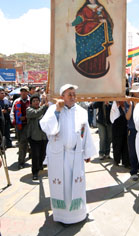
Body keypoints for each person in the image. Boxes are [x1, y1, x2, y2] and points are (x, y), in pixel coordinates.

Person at [40, 84, 96, 225]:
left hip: (76, 154)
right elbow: (47, 128)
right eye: (69, 94)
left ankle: (78, 214)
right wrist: (57, 111)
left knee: (77, 184)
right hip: (58, 155)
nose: (72, 97)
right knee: (62, 186)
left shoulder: (81, 111)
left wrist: (87, 152)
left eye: (74, 94)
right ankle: (62, 215)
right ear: (62, 96)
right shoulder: (53, 109)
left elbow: (86, 132)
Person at [66, 0, 114, 78]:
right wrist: (72, 24)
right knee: (87, 50)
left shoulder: (100, 7)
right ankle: (86, 68)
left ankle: (99, 69)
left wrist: (104, 20)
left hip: (99, 33)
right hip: (88, 32)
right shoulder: (85, 9)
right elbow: (80, 18)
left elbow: (107, 19)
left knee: (100, 50)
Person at [26, 94, 49, 180]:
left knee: (43, 153)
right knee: (35, 155)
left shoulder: (42, 109)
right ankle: (35, 172)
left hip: (43, 136)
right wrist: (44, 107)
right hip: (33, 137)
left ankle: (40, 166)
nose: (36, 102)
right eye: (34, 101)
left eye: (37, 101)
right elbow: (36, 113)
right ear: (31, 103)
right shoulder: (29, 110)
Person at [125, 83, 139, 181]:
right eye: (136, 92)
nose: (138, 94)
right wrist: (131, 106)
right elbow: (127, 117)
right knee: (133, 150)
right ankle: (134, 170)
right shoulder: (129, 101)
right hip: (132, 129)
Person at [10, 86, 30, 169]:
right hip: (20, 126)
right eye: (22, 91)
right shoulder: (17, 101)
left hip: (30, 125)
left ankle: (31, 154)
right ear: (20, 92)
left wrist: (26, 117)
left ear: (28, 92)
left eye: (25, 91)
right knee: (22, 144)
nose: (23, 93)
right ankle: (21, 162)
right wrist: (14, 122)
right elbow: (12, 113)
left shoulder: (31, 101)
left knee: (31, 143)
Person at [110, 101, 130, 167]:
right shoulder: (115, 105)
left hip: (125, 126)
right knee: (117, 144)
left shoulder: (127, 104)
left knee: (125, 144)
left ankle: (126, 162)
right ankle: (116, 160)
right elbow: (113, 117)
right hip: (117, 126)